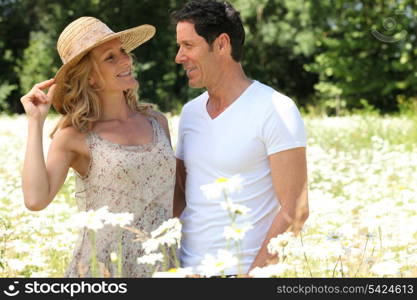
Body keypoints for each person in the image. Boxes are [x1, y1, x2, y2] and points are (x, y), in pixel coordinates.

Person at [20, 17, 176, 277]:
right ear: (90, 77)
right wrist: (36, 121)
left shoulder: (157, 122)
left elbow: (174, 195)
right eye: (110, 58)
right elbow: (35, 200)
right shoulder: (74, 136)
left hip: (161, 265)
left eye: (123, 52)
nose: (126, 61)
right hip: (102, 270)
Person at [171, 0, 309, 276]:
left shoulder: (275, 109)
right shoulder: (190, 113)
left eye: (188, 45)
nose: (178, 56)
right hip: (185, 270)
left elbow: (296, 210)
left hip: (242, 271)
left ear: (221, 44)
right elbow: (180, 196)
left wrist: (252, 277)